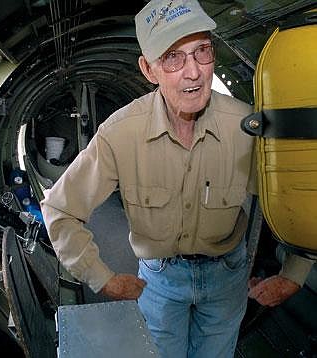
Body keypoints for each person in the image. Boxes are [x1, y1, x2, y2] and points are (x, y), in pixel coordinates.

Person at [41, 0, 313, 356]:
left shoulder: (247, 126)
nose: (194, 72)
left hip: (227, 275)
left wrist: (295, 273)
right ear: (147, 69)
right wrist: (100, 277)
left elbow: (300, 193)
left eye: (202, 51)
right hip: (159, 280)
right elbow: (59, 209)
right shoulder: (121, 133)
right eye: (173, 57)